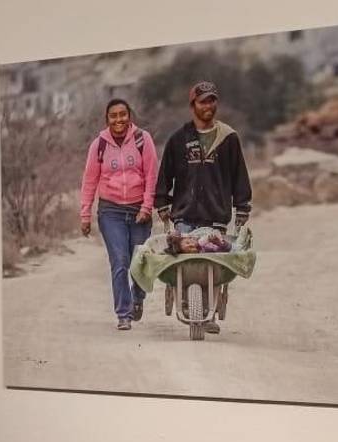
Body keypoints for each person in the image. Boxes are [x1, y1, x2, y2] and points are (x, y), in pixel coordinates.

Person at [154, 80, 252, 334]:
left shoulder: (228, 138)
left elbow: (239, 175)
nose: (208, 106)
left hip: (216, 216)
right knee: (186, 262)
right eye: (203, 101)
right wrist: (162, 202)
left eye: (212, 101)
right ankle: (183, 297)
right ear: (192, 105)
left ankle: (208, 312)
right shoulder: (179, 139)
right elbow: (165, 175)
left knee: (213, 264)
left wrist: (242, 208)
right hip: (185, 214)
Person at [79, 98, 158, 331]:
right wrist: (85, 215)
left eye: (122, 114)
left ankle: (138, 298)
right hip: (110, 210)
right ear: (107, 119)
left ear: (129, 116)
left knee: (140, 262)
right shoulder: (99, 146)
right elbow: (89, 180)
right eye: (113, 116)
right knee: (120, 261)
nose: (118, 119)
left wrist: (146, 207)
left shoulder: (143, 140)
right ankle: (123, 313)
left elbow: (152, 175)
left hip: (138, 210)